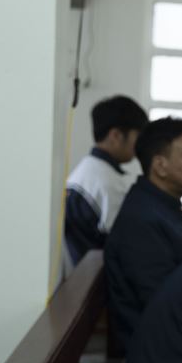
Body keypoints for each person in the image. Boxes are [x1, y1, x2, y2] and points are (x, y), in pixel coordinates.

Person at [105, 117, 182, 351]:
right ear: (160, 166)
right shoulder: (140, 221)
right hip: (160, 351)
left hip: (178, 335)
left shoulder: (158, 205)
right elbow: (163, 303)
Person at [63, 95, 148, 268]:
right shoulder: (105, 182)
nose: (141, 145)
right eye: (138, 136)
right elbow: (123, 246)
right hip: (93, 275)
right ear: (116, 135)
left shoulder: (88, 171)